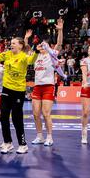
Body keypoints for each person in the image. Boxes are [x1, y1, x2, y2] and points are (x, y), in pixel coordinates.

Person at [31, 19, 64, 147]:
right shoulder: (36, 57)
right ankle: (39, 136)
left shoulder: (52, 55)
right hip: (37, 87)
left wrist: (60, 30)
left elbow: (59, 45)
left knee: (46, 113)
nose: (42, 45)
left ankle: (49, 137)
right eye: (41, 44)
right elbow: (27, 49)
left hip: (48, 87)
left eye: (45, 44)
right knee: (35, 113)